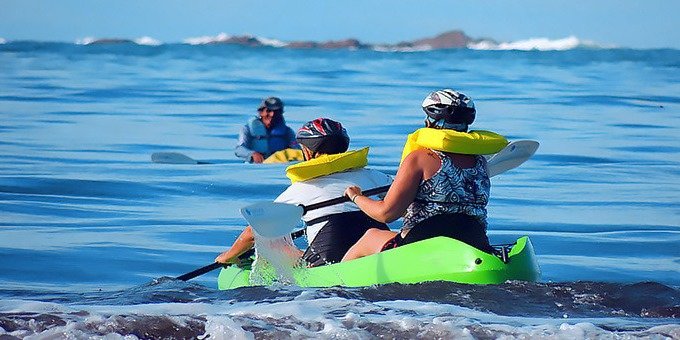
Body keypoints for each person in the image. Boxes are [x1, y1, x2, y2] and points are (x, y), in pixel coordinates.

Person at [342, 89, 498, 262]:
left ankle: (333, 283)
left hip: (421, 246)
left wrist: (355, 196)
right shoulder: (481, 162)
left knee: (370, 236)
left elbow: (386, 214)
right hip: (473, 243)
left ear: (431, 121)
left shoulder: (420, 158)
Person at [217, 118, 392, 267]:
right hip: (378, 249)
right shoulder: (375, 176)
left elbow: (253, 232)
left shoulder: (301, 189)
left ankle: (301, 261)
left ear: (307, 151)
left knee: (271, 240)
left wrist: (228, 256)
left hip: (331, 262)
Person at [235, 96, 299, 163]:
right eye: (268, 111)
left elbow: (296, 149)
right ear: (261, 112)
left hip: (279, 165)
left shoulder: (287, 132)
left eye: (276, 112)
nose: (272, 114)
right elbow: (239, 150)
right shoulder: (248, 129)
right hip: (256, 166)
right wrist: (252, 154)